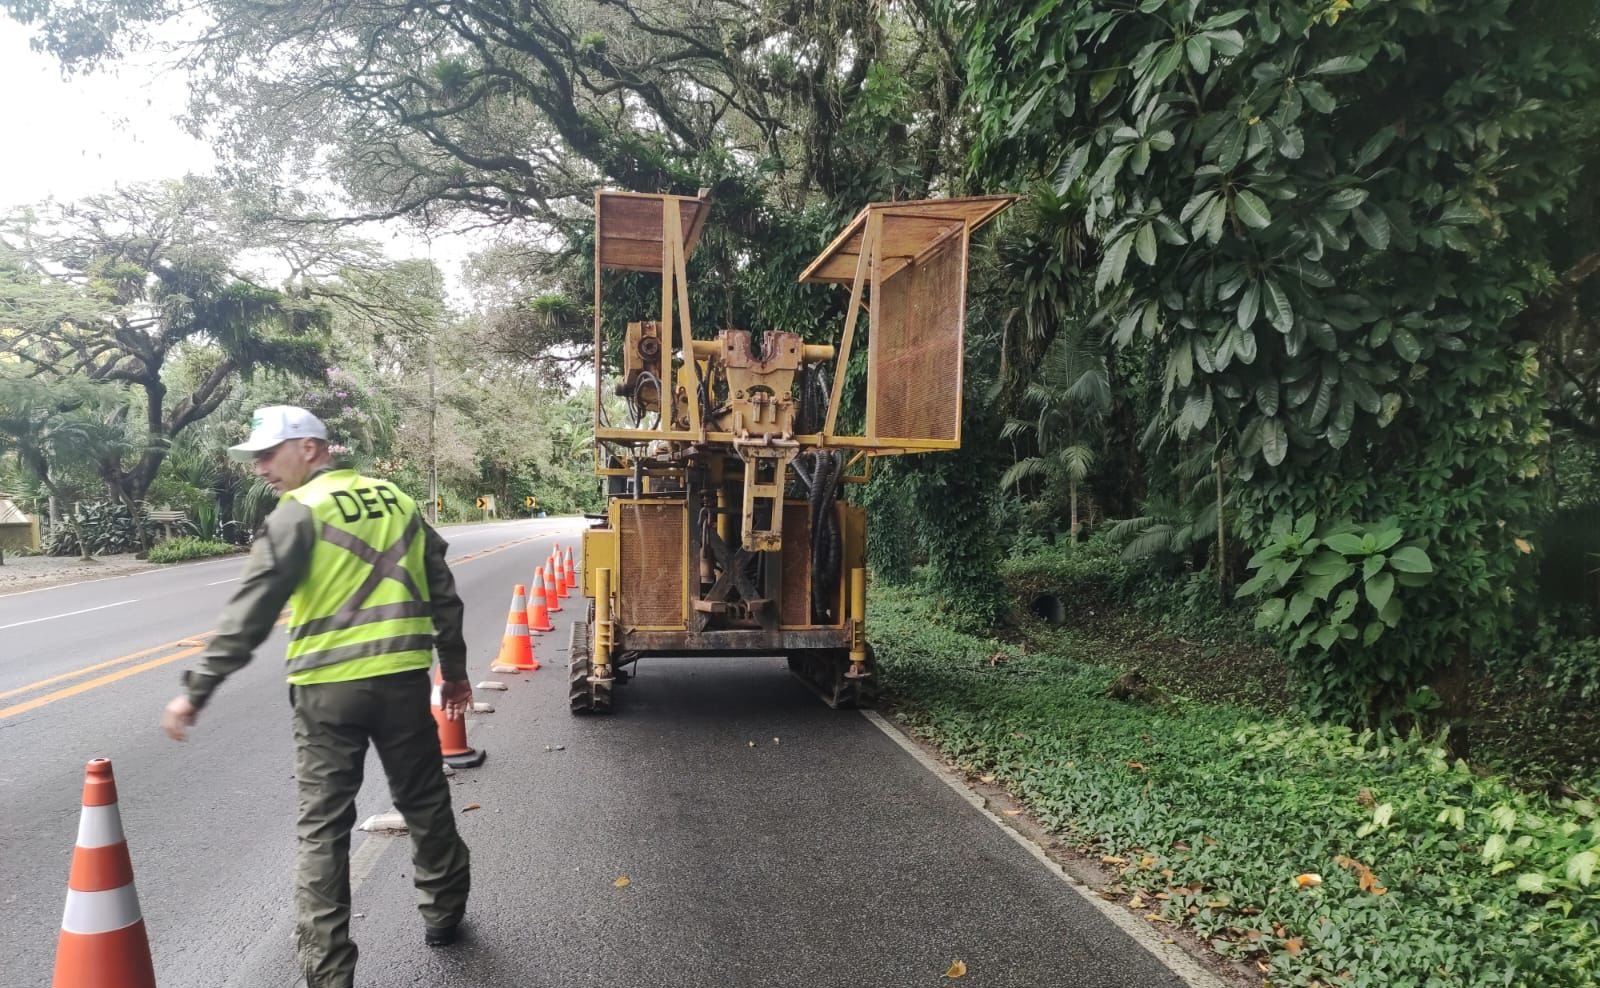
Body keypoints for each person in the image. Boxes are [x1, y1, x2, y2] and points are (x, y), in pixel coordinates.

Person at [161, 405, 474, 988]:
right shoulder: (397, 501)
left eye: (267, 454)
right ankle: (444, 913)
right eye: (253, 458)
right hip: (403, 682)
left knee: (323, 830)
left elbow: (249, 615)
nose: (259, 469)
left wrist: (196, 690)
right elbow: (444, 592)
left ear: (310, 448)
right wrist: (452, 671)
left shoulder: (295, 514)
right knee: (425, 802)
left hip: (326, 693)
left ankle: (329, 975)